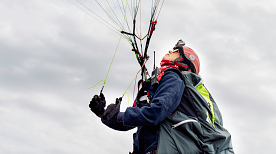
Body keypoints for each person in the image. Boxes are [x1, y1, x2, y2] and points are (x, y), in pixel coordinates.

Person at [89, 40, 234, 154]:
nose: (170, 50)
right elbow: (131, 122)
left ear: (184, 61)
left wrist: (119, 116)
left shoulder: (173, 77)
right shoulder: (156, 83)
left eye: (176, 51)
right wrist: (104, 114)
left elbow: (156, 112)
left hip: (160, 147)